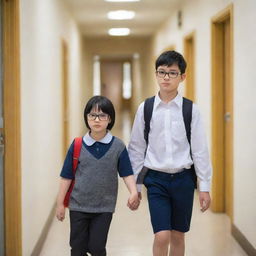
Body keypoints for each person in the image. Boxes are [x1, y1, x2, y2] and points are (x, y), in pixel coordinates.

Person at [128, 50, 212, 256]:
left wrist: (205, 186)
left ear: (182, 77)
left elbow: (200, 150)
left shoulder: (191, 109)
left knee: (177, 235)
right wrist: (135, 186)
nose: (166, 77)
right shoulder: (145, 108)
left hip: (183, 179)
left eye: (172, 73)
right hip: (156, 180)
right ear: (155, 74)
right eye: (162, 72)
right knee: (162, 235)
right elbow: (136, 148)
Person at [56, 95, 140, 256]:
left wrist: (134, 192)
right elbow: (66, 176)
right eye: (92, 115)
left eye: (102, 115)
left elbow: (126, 173)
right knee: (77, 248)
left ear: (110, 119)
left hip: (104, 207)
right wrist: (60, 204)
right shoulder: (77, 145)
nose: (97, 119)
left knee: (97, 248)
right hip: (78, 206)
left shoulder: (118, 146)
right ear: (86, 118)